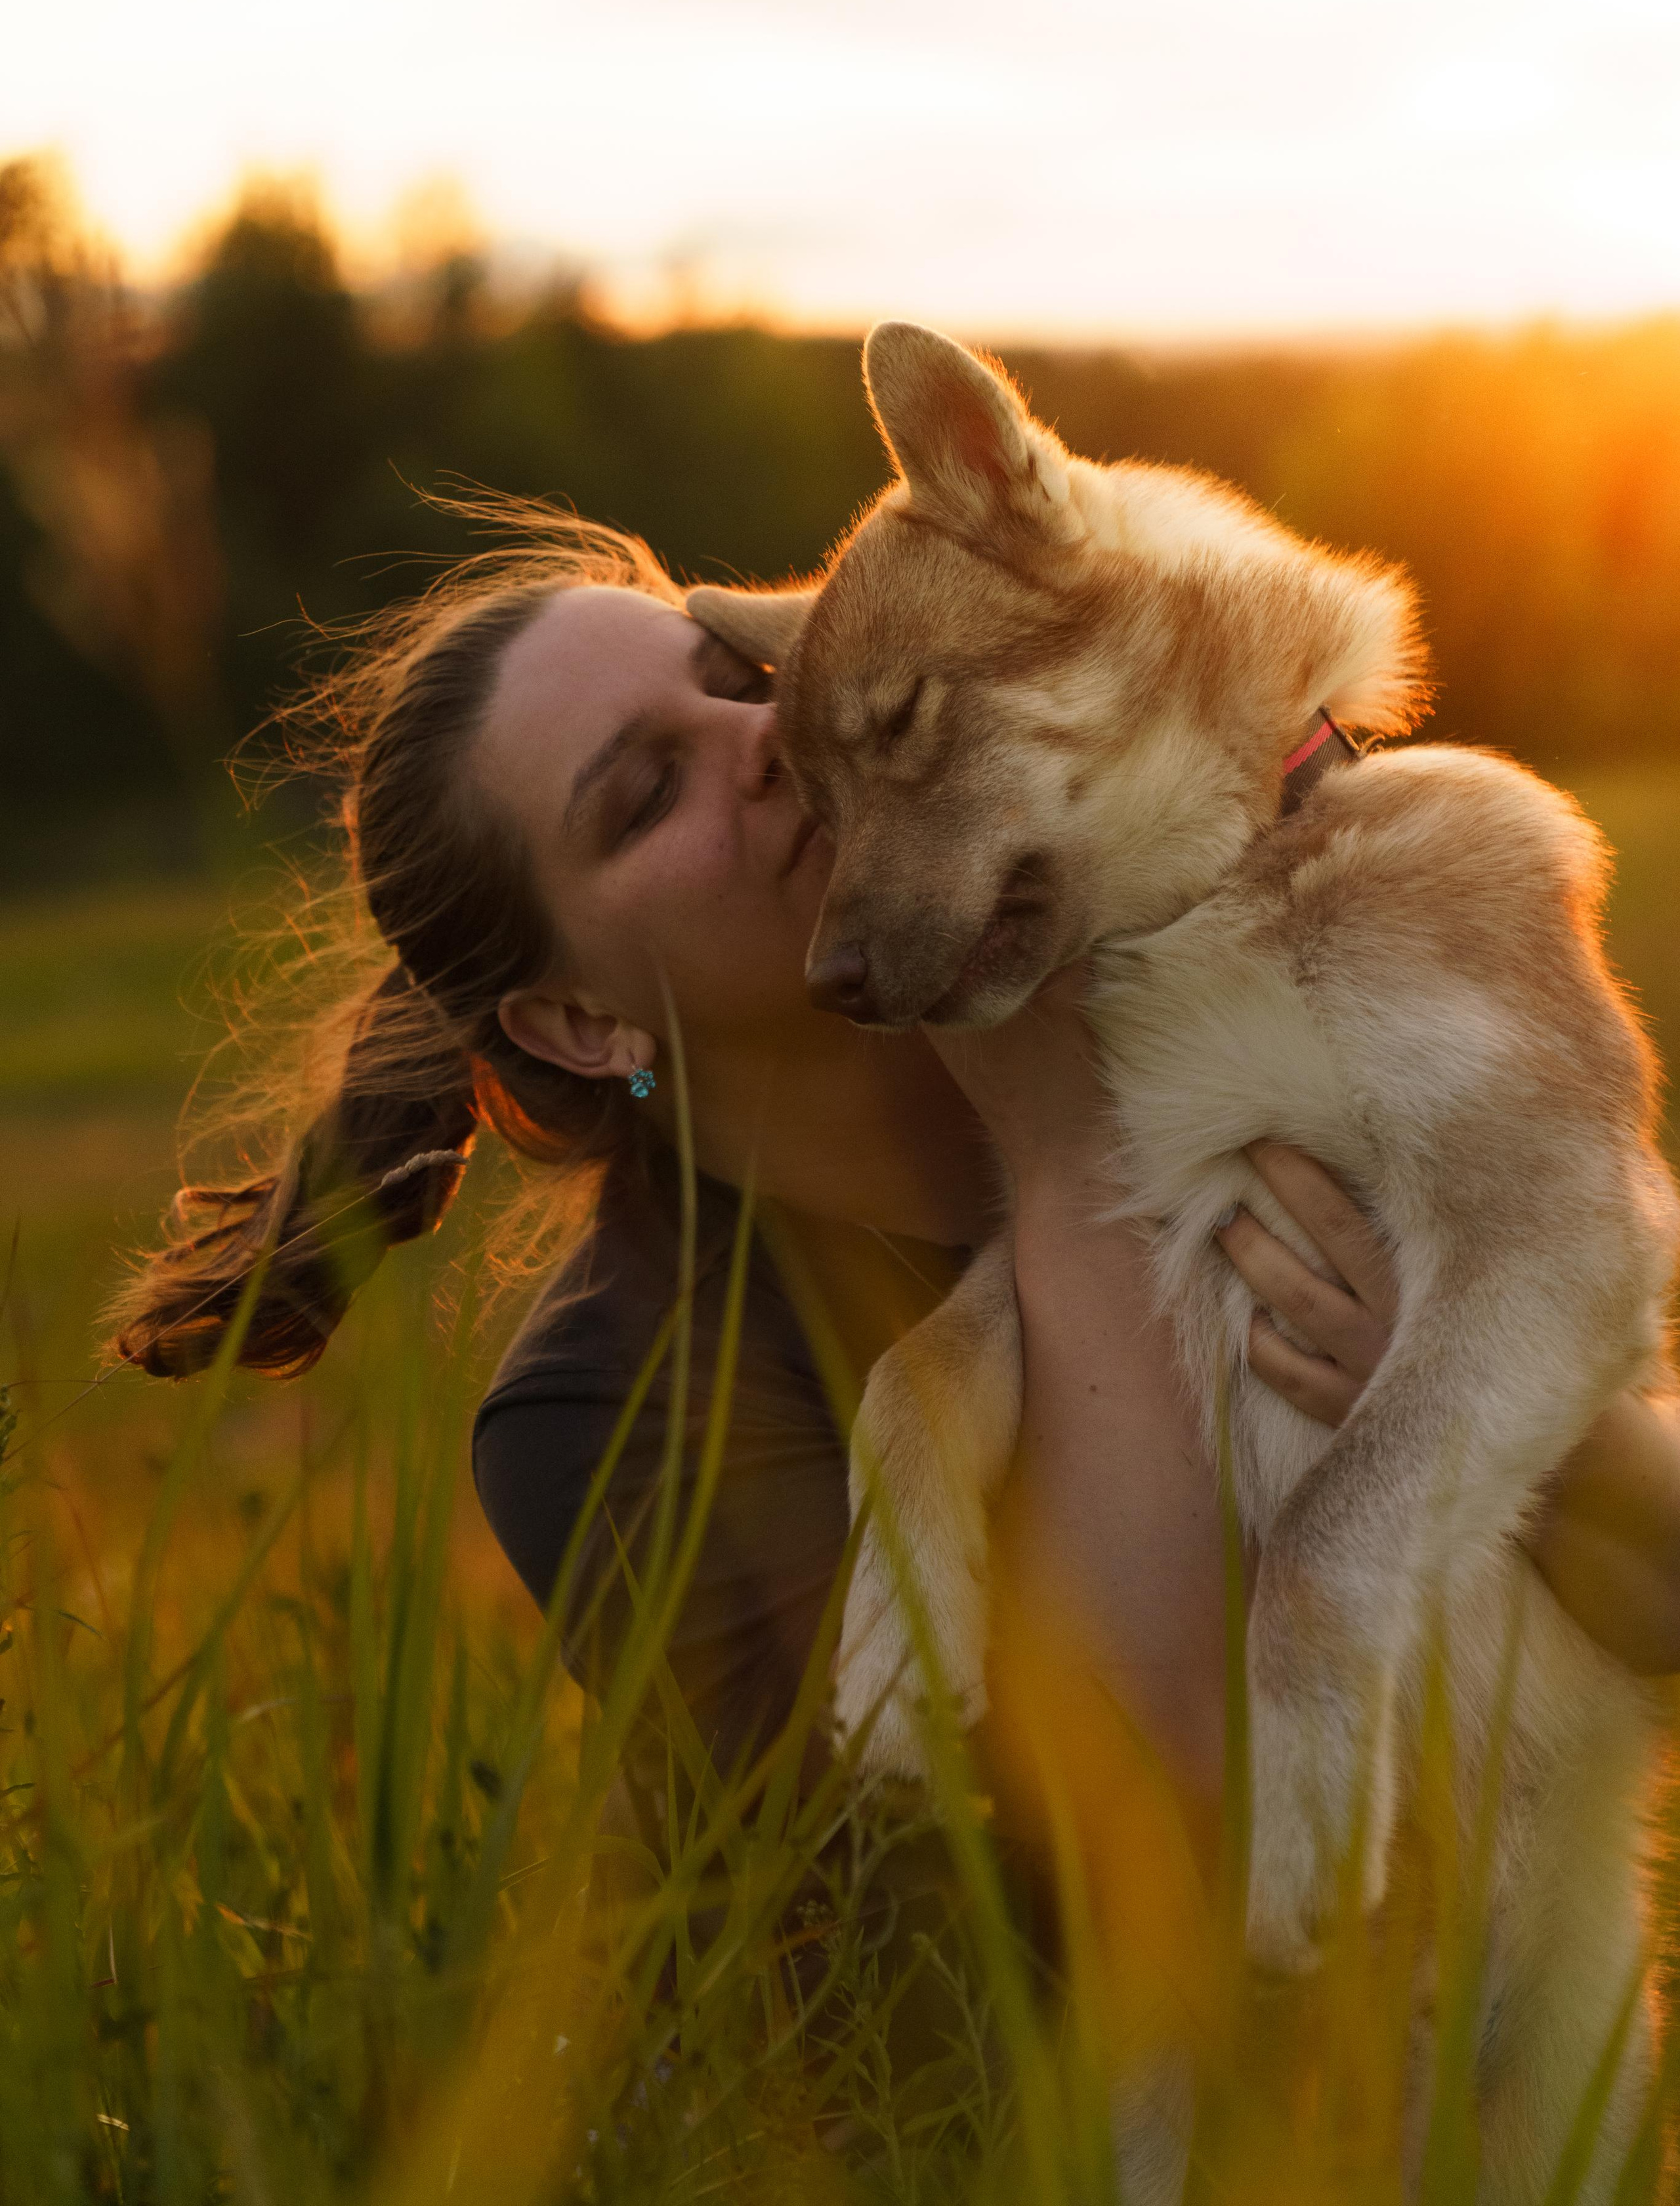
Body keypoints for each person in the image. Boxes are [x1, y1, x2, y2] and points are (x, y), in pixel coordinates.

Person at [114, 512, 1680, 1852]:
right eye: (646, 791)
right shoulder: (617, 1409)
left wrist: (1505, 1408)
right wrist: (1064, 1148)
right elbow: (1149, 1836)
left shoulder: (1186, 979)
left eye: (739, 678)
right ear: (579, 1023)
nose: (768, 739)